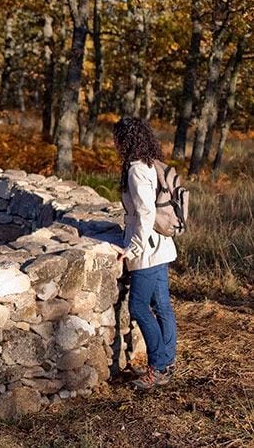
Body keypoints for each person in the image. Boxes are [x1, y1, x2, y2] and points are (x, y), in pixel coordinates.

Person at [112, 117, 178, 390]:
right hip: (161, 247)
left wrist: (132, 248)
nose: (113, 143)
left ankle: (158, 366)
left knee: (139, 307)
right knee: (162, 306)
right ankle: (167, 361)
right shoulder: (151, 164)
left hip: (148, 250)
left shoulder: (137, 170)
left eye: (116, 138)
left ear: (126, 140)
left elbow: (146, 212)